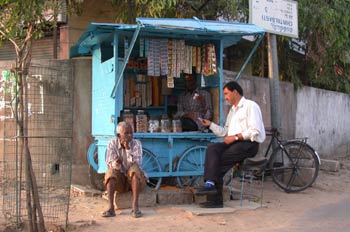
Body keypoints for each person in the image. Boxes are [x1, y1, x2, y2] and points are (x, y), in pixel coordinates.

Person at [196, 81, 266, 208]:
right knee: (213, 149)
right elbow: (224, 132)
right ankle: (210, 184)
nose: (225, 97)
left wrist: (235, 137)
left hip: (248, 144)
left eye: (227, 93)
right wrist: (210, 124)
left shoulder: (251, 106)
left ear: (235, 92)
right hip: (233, 142)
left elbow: (255, 131)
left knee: (218, 161)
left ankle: (215, 199)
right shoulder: (232, 111)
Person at [102, 121, 147, 218]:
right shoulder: (112, 144)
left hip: (135, 181)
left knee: (135, 170)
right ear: (119, 135)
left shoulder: (136, 143)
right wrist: (117, 163)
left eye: (131, 133)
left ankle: (135, 208)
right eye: (126, 133)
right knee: (110, 173)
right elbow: (110, 164)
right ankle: (110, 208)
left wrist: (127, 149)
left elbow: (137, 163)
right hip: (121, 182)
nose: (129, 135)